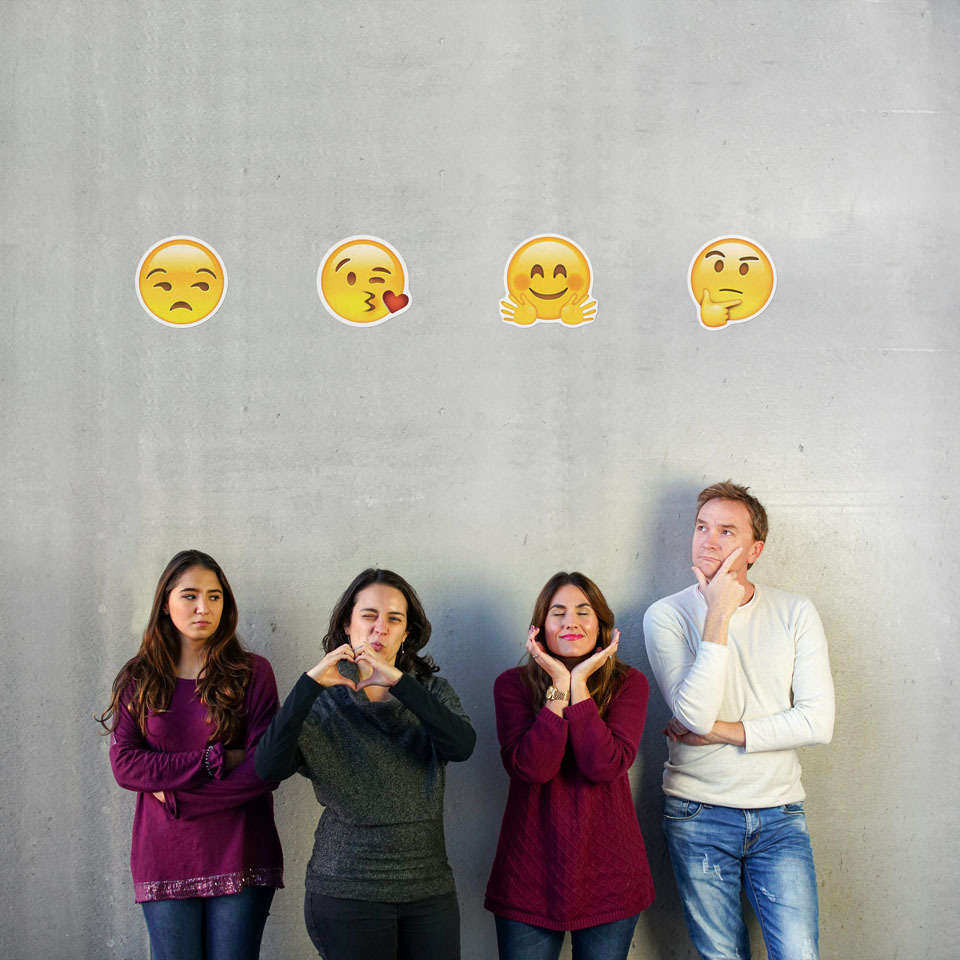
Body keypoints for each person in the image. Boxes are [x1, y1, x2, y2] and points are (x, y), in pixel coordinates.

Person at [644, 481, 835, 960]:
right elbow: (694, 714)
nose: (708, 541)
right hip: (697, 813)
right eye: (702, 527)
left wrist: (721, 732)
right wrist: (719, 613)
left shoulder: (795, 612)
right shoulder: (665, 616)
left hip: (780, 814)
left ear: (755, 550)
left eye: (726, 531)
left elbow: (817, 722)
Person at [254, 568, 476, 960]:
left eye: (395, 619)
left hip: (429, 890)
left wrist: (399, 682)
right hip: (346, 891)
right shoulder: (322, 698)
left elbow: (461, 747)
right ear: (347, 623)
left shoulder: (430, 691)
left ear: (406, 632)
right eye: (369, 615)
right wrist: (308, 685)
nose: (381, 628)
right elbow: (268, 768)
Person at [99, 549, 282, 960]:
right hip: (165, 855)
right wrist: (214, 760)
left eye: (215, 596)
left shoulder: (252, 673)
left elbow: (264, 769)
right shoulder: (139, 677)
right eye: (190, 595)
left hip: (241, 850)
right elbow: (126, 766)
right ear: (166, 603)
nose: (204, 607)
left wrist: (176, 797)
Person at [485, 572, 655, 960]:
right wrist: (560, 685)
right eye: (557, 612)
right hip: (528, 874)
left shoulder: (630, 684)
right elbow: (533, 769)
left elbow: (603, 766)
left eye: (583, 611)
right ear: (540, 627)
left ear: (601, 625)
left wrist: (580, 686)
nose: (570, 622)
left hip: (611, 875)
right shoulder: (511, 685)